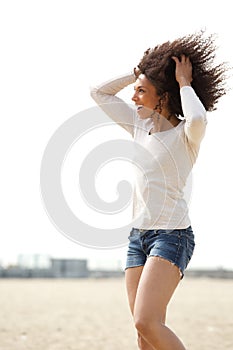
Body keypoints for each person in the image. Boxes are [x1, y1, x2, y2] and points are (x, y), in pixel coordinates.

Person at [90, 31, 227, 350]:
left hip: (171, 236)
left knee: (146, 321)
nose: (133, 97)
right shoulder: (140, 126)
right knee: (144, 334)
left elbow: (197, 116)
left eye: (141, 91)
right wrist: (137, 74)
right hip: (138, 237)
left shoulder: (185, 134)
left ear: (162, 96)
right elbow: (98, 92)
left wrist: (184, 83)